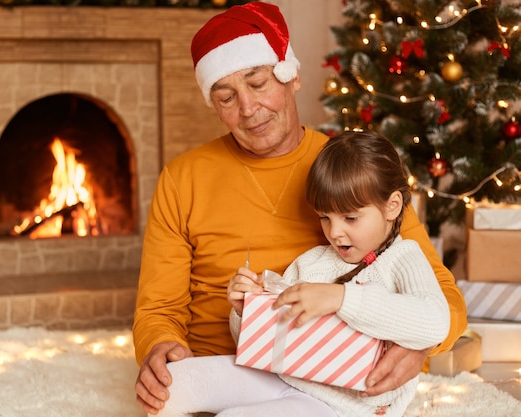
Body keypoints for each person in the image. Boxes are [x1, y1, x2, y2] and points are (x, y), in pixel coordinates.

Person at [133, 2, 467, 415]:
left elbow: (442, 299)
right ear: (213, 104)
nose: (248, 109)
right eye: (226, 97)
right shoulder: (182, 178)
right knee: (165, 397)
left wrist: (416, 345)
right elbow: (157, 309)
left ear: (291, 77)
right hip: (222, 361)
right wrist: (159, 347)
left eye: (258, 84)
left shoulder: (352, 171)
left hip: (328, 377)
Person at [150, 129, 451, 417]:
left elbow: (435, 321)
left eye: (350, 217)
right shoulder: (315, 262)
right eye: (324, 217)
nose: (335, 232)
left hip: (342, 408)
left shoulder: (404, 258)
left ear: (392, 206)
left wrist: (341, 298)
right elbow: (264, 344)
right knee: (171, 386)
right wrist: (248, 311)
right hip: (283, 377)